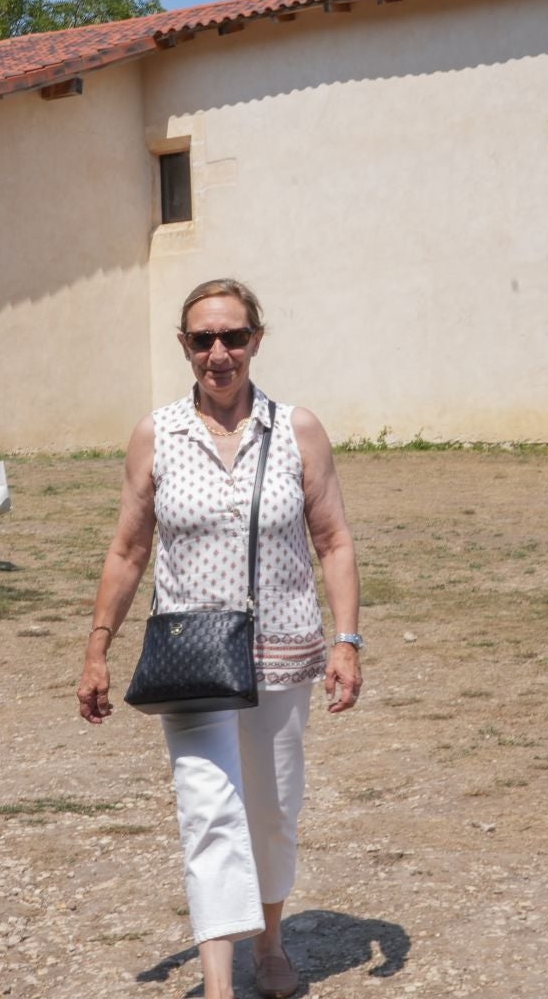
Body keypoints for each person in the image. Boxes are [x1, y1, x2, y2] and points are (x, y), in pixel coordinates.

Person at [77, 278, 364, 999]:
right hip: (192, 663)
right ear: (184, 347)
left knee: (271, 811)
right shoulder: (158, 434)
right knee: (207, 814)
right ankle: (217, 986)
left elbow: (332, 540)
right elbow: (127, 550)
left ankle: (270, 943)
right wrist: (97, 648)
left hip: (284, 655)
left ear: (256, 341)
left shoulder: (296, 430)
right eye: (203, 339)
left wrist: (347, 639)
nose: (218, 353)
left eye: (233, 337)